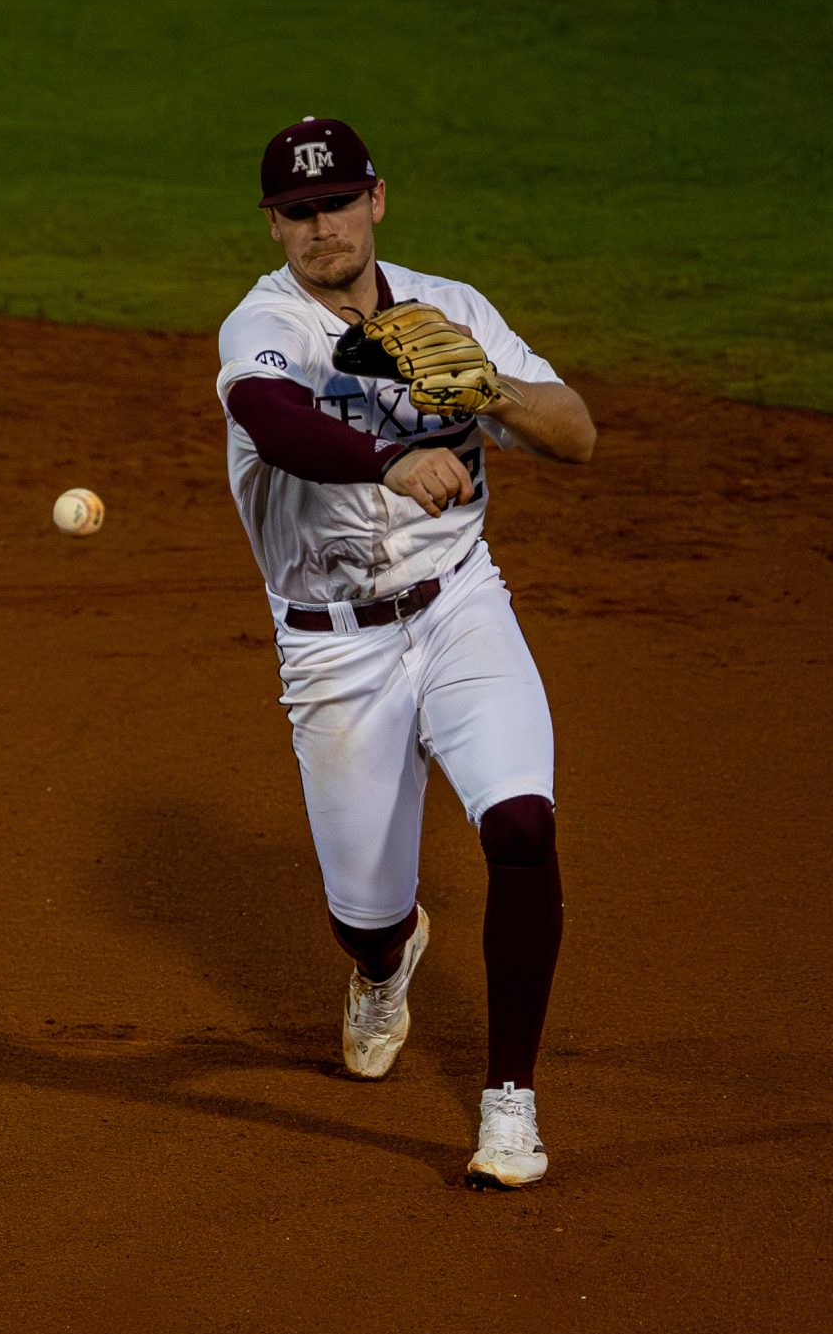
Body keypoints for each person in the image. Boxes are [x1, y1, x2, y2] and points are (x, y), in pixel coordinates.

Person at [213, 115, 596, 1188]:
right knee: (364, 919)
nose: (319, 226)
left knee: (520, 823)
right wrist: (391, 459)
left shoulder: (452, 310)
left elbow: (577, 434)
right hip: (333, 652)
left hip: (461, 607)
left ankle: (508, 1105)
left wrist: (490, 394)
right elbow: (274, 418)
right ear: (273, 224)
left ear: (376, 199)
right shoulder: (264, 324)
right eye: (296, 212)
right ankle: (385, 964)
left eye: (336, 203)